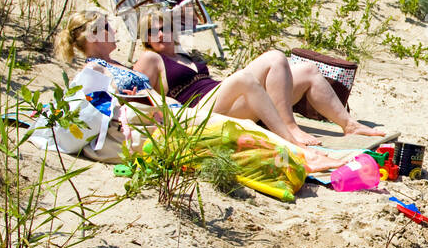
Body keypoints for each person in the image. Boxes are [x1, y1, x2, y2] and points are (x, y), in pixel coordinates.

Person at [54, 10, 348, 170]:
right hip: (186, 113)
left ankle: (322, 141)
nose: (114, 30)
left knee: (279, 75)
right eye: (107, 27)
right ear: (93, 36)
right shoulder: (100, 69)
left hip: (188, 109)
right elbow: (105, 104)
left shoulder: (113, 64)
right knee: (249, 77)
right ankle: (293, 138)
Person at [130, 9, 383, 147]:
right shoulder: (151, 58)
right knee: (274, 57)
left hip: (229, 99)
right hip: (203, 110)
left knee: (309, 71)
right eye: (153, 31)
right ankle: (289, 128)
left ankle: (349, 125)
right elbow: (134, 89)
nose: (161, 34)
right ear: (146, 38)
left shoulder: (186, 55)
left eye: (165, 27)